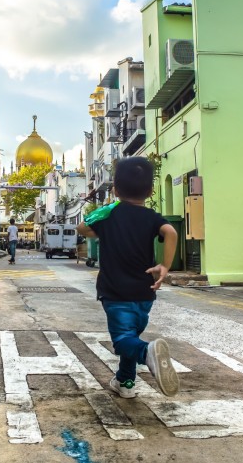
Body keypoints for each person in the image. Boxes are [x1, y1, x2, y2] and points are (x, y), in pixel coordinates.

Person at [77, 156, 180, 398]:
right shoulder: (152, 217)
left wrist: (109, 207)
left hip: (115, 291)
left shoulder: (110, 216)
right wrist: (165, 266)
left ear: (114, 188)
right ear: (151, 190)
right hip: (145, 291)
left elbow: (82, 228)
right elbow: (171, 231)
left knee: (123, 340)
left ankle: (147, 353)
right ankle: (125, 382)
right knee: (131, 334)